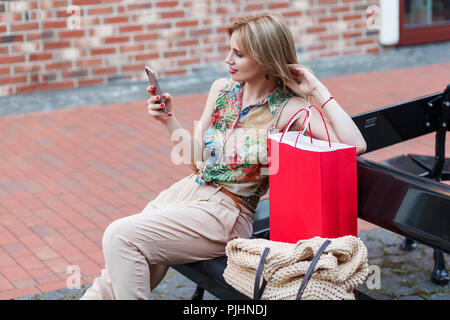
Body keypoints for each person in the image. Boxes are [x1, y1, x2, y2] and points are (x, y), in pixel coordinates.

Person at [80, 12, 366, 300]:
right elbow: (197, 161)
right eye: (229, 50)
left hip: (227, 215)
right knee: (120, 264)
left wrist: (317, 90)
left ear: (265, 58)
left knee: (119, 236)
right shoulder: (222, 90)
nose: (228, 59)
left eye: (238, 54)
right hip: (188, 193)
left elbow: (355, 144)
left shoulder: (288, 108)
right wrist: (169, 120)